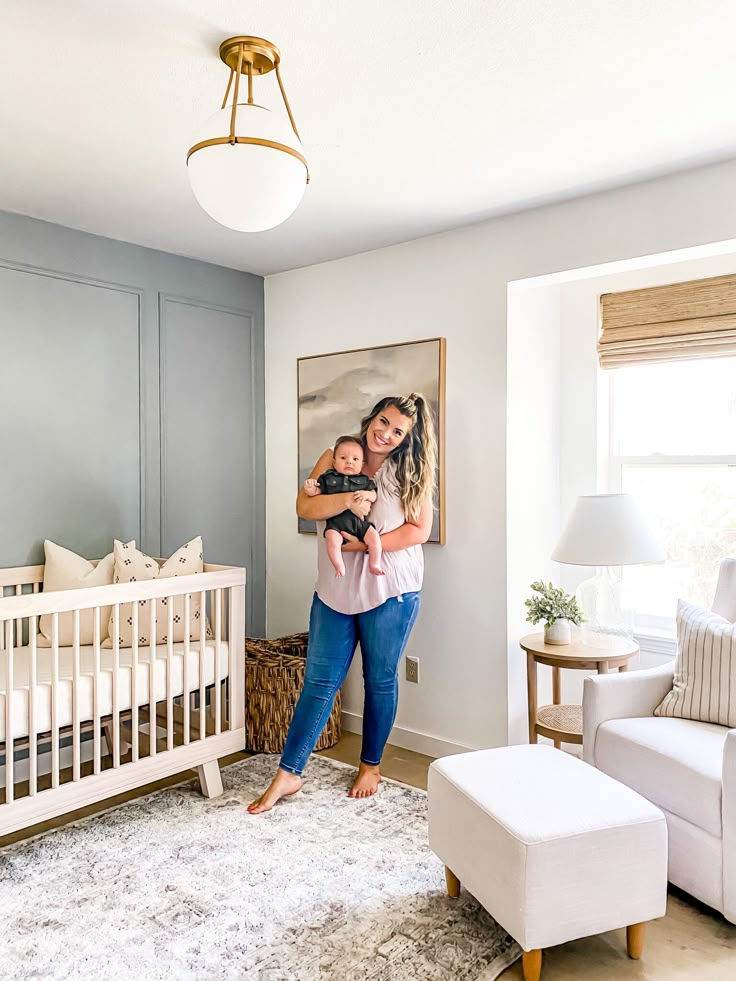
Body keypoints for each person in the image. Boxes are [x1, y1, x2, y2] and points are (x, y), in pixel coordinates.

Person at [248, 392, 437, 812]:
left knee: (380, 680)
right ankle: (289, 773)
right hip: (334, 591)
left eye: (397, 431)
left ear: (406, 439)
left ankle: (371, 765)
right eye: (383, 422)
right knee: (319, 682)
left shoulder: (408, 472)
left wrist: (360, 548)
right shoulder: (336, 455)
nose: (385, 434)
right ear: (372, 417)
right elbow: (304, 506)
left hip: (390, 588)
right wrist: (348, 500)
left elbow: (419, 531)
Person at [304, 434, 384, 578]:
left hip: (359, 524)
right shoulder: (328, 478)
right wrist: (310, 488)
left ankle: (375, 563)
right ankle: (339, 565)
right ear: (334, 463)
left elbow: (374, 495)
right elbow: (316, 492)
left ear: (362, 464)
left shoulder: (364, 480)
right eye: (343, 458)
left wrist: (367, 495)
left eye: (355, 459)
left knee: (374, 538)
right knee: (332, 540)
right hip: (336, 525)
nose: (349, 462)